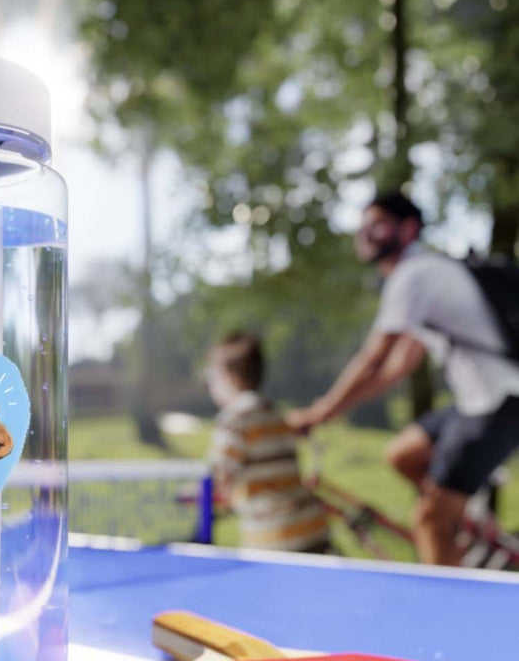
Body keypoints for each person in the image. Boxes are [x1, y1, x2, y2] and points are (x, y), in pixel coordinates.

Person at [286, 190, 519, 566]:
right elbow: (398, 368)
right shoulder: (429, 274)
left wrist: (319, 413)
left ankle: (448, 613)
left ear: (408, 229)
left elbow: (374, 359)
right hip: (477, 402)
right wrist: (333, 409)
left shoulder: (414, 275)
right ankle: (465, 528)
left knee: (427, 520)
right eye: (362, 225)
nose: (365, 233)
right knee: (402, 455)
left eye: (377, 224)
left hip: (499, 402)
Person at [206, 331, 330, 553]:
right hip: (312, 528)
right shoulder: (276, 413)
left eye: (212, 376)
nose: (210, 385)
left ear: (229, 375)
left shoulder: (233, 419)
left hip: (273, 538)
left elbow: (217, 478)